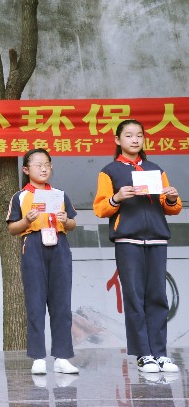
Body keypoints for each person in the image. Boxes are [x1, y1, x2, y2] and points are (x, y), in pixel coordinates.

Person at [93, 119, 181, 373]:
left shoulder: (155, 169)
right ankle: (144, 354)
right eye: (129, 135)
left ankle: (160, 353)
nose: (135, 140)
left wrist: (173, 198)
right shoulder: (110, 171)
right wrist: (116, 197)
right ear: (118, 140)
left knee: (158, 297)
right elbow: (100, 207)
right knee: (135, 297)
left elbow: (169, 207)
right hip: (127, 239)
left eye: (139, 135)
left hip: (156, 238)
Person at [6, 148, 79, 375]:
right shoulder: (21, 196)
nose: (44, 168)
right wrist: (26, 221)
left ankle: (62, 356)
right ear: (26, 170)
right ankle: (38, 356)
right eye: (38, 164)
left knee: (61, 304)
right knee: (35, 303)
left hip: (59, 245)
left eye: (47, 163)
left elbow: (73, 224)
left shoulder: (60, 193)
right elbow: (12, 228)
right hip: (34, 245)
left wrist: (66, 221)